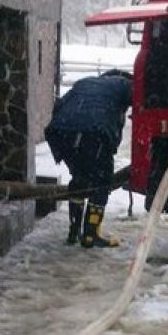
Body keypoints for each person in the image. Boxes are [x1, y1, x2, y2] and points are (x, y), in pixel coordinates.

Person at [45, 69, 134, 248]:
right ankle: (91, 234)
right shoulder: (125, 85)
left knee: (80, 179)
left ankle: (74, 231)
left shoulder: (86, 82)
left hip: (61, 132)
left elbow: (60, 105)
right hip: (93, 132)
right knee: (102, 182)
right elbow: (143, 106)